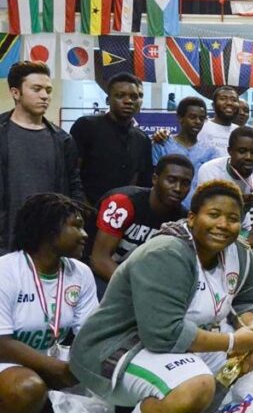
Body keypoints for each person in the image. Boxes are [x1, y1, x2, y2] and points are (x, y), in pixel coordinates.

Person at [69, 181, 253, 413]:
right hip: (120, 348)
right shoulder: (166, 253)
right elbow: (163, 335)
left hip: (187, 340)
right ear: (192, 218)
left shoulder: (241, 254)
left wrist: (252, 329)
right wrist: (233, 342)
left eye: (232, 219)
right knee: (195, 385)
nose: (223, 224)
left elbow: (246, 301)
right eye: (214, 214)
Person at [0, 194, 97, 413]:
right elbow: (2, 344)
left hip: (49, 363)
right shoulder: (6, 271)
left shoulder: (80, 273)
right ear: (48, 231)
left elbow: (90, 333)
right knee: (26, 389)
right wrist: (59, 369)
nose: (85, 235)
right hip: (6, 363)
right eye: (76, 226)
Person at [0, 61, 84, 252]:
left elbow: (74, 187)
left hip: (48, 240)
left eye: (48, 90)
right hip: (5, 237)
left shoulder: (62, 140)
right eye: (36, 89)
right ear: (16, 93)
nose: (45, 96)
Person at [90, 155, 194, 283]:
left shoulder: (182, 220)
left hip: (139, 278)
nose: (178, 188)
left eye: (185, 183)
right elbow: (99, 260)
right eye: (171, 180)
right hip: (96, 274)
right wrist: (141, 289)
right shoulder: (122, 202)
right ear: (155, 179)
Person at [72, 72, 151, 205]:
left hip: (122, 211)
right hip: (85, 208)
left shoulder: (142, 139)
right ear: (108, 100)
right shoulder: (86, 126)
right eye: (120, 95)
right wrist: (84, 208)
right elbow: (73, 172)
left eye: (134, 97)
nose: (128, 101)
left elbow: (140, 182)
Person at [195, 126, 253, 239]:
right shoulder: (210, 170)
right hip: (214, 227)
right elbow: (208, 210)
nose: (249, 157)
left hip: (245, 228)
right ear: (230, 151)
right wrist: (235, 203)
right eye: (242, 151)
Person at [152, 96, 222, 207]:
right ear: (180, 118)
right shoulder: (162, 144)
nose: (197, 122)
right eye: (192, 117)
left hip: (197, 209)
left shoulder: (210, 151)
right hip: (165, 208)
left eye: (202, 118)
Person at [196, 85, 238, 153]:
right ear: (213, 105)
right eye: (223, 98)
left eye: (234, 100)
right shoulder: (201, 127)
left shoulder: (239, 131)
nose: (229, 103)